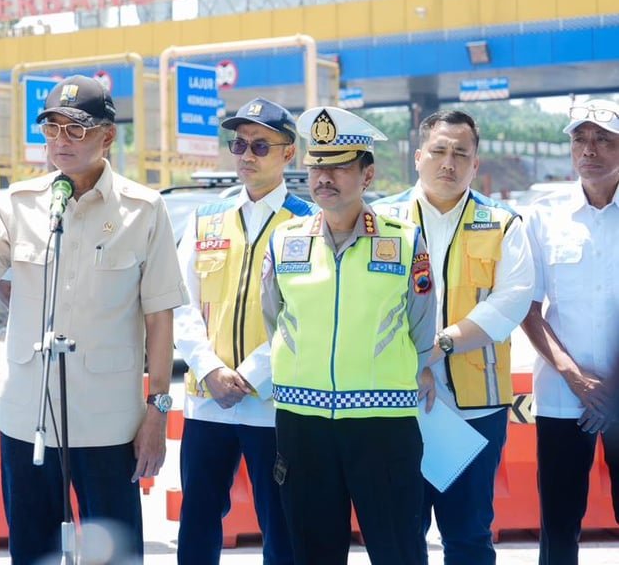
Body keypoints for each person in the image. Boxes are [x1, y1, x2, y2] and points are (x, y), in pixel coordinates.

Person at [0, 74, 188, 564]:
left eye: (76, 129)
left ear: (108, 135)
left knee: (116, 555)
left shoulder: (144, 210)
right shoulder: (18, 204)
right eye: (52, 128)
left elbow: (160, 318)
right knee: (32, 553)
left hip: (109, 424)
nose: (61, 140)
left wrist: (158, 411)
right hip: (28, 418)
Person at [261, 106, 437, 565]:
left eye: (339, 166)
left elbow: (422, 326)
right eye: (317, 166)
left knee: (398, 550)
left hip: (384, 424)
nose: (325, 177)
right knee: (312, 553)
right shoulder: (285, 241)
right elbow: (273, 318)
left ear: (368, 174)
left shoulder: (404, 241)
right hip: (303, 423)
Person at [374, 109, 534, 564]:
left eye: (461, 154)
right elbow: (370, 306)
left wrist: (437, 348)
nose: (449, 162)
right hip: (397, 403)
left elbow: (511, 302)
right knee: (398, 535)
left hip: (475, 409)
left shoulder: (502, 222)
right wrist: (413, 365)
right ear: (418, 157)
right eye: (439, 151)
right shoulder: (381, 221)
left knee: (469, 536)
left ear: (475, 163)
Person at [173, 98, 312, 565]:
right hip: (207, 400)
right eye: (239, 144)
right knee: (197, 522)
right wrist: (210, 369)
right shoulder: (205, 219)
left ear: (288, 153)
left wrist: (252, 374)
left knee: (282, 525)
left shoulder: (308, 222)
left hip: (274, 404)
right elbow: (181, 302)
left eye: (260, 146)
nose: (247, 155)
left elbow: (306, 314)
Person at [521, 98, 619, 565]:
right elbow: (528, 308)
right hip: (563, 396)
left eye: (603, 139)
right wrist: (575, 377)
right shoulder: (543, 216)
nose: (589, 149)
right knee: (559, 525)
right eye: (580, 139)